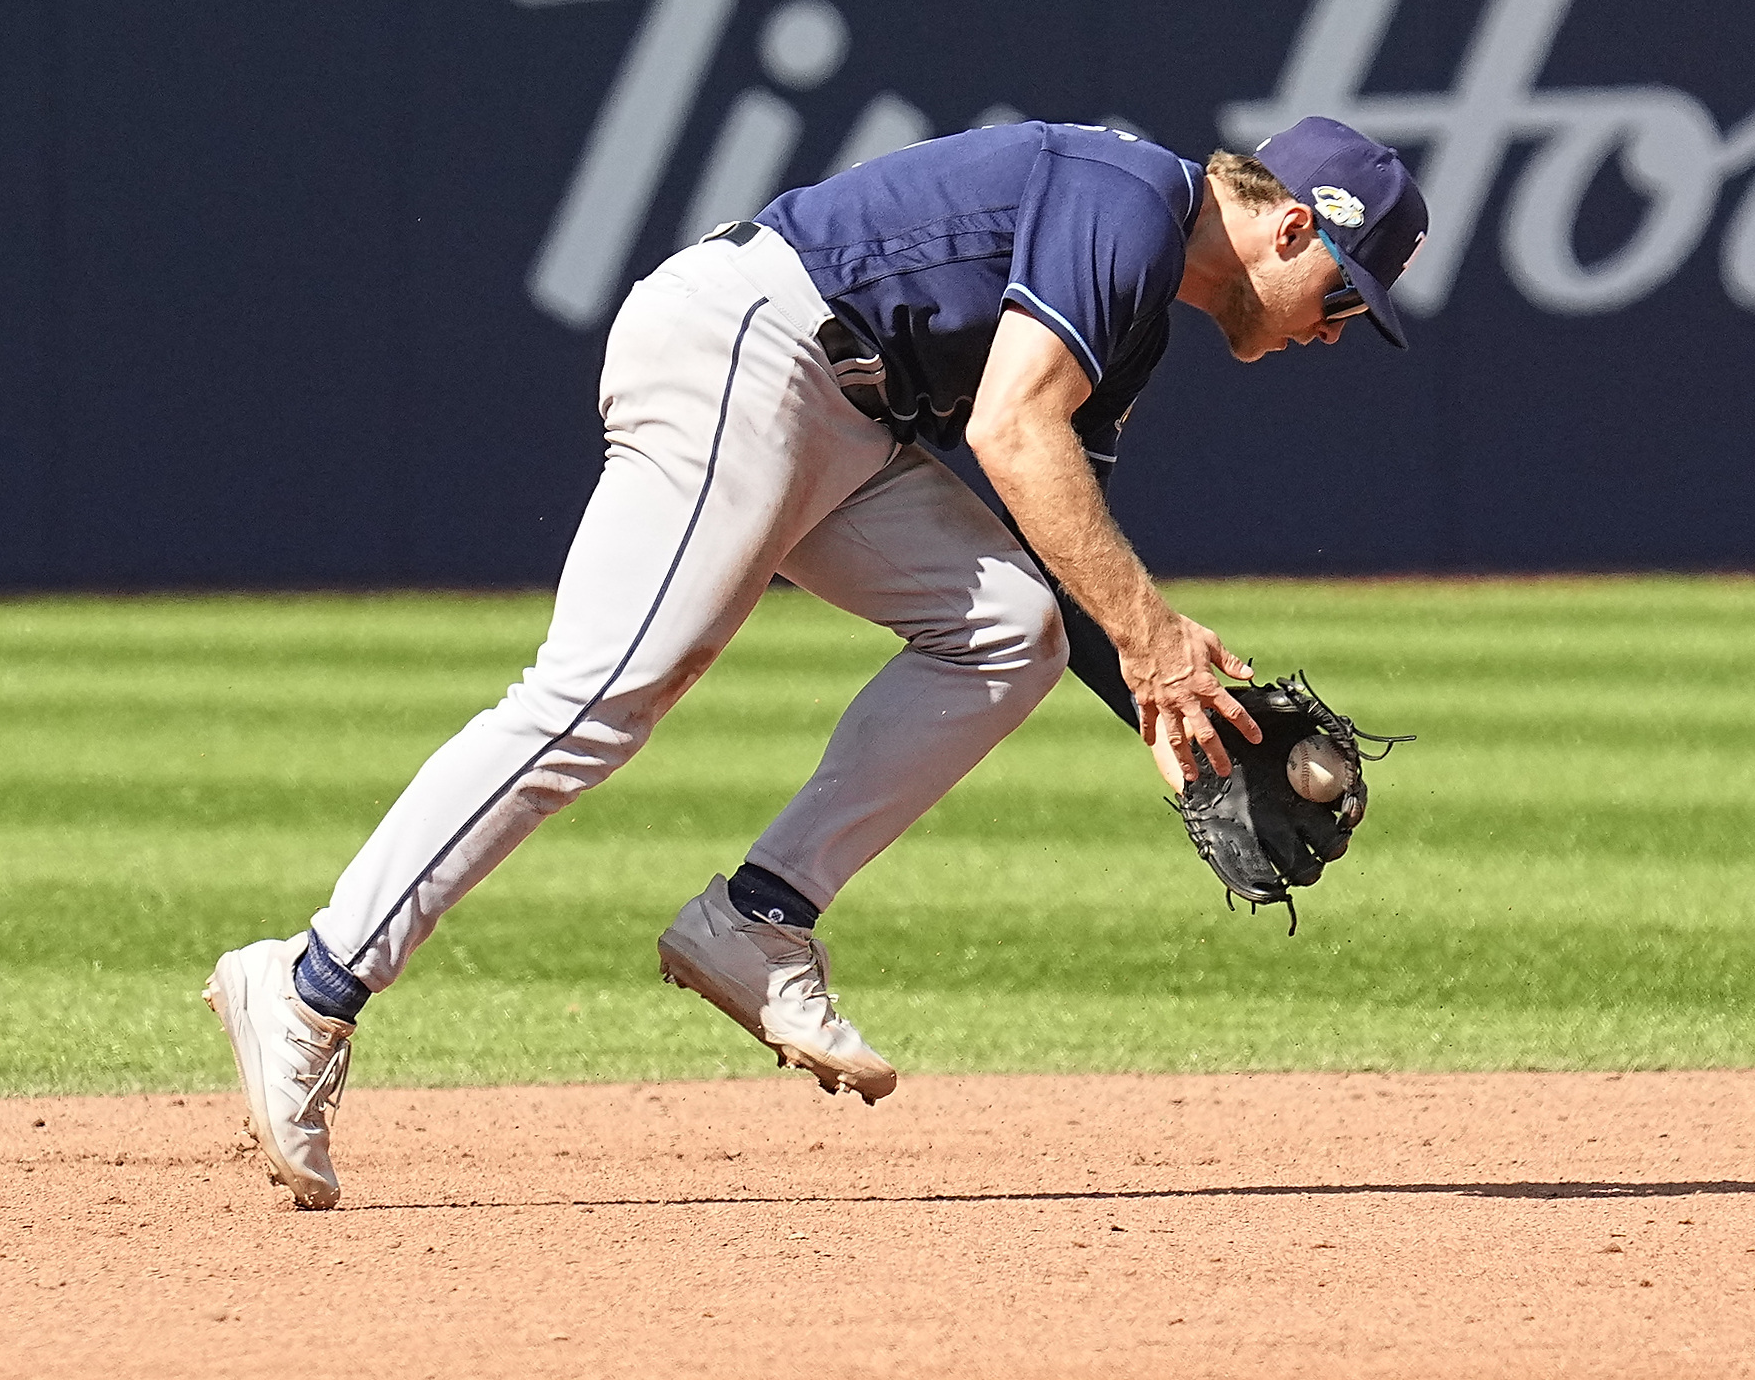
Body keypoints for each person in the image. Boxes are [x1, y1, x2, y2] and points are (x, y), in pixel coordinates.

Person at [205, 115, 1429, 1209]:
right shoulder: (1123, 200)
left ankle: (758, 918)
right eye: (1344, 290)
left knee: (1008, 631)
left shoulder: (1136, 301)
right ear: (1283, 224)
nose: (1335, 327)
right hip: (753, 345)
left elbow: (1054, 548)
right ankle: (310, 984)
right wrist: (1157, 640)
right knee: (596, 694)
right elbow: (1008, 433)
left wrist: (1187, 723)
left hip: (838, 409)